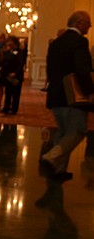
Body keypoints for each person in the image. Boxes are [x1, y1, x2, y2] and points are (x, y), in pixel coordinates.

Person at [40, 11, 94, 182]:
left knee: (62, 132)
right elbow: (82, 69)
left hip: (56, 94)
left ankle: (57, 171)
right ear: (79, 23)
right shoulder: (79, 41)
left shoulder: (56, 43)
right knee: (77, 131)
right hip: (72, 96)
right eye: (88, 23)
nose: (90, 26)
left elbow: (50, 69)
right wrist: (90, 90)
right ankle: (50, 158)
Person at [0, 35, 25, 114]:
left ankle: (14, 109)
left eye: (10, 41)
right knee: (8, 92)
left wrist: (15, 73)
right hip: (7, 75)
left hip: (16, 76)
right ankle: (6, 108)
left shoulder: (20, 52)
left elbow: (21, 64)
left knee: (16, 93)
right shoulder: (7, 52)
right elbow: (3, 61)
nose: (8, 43)